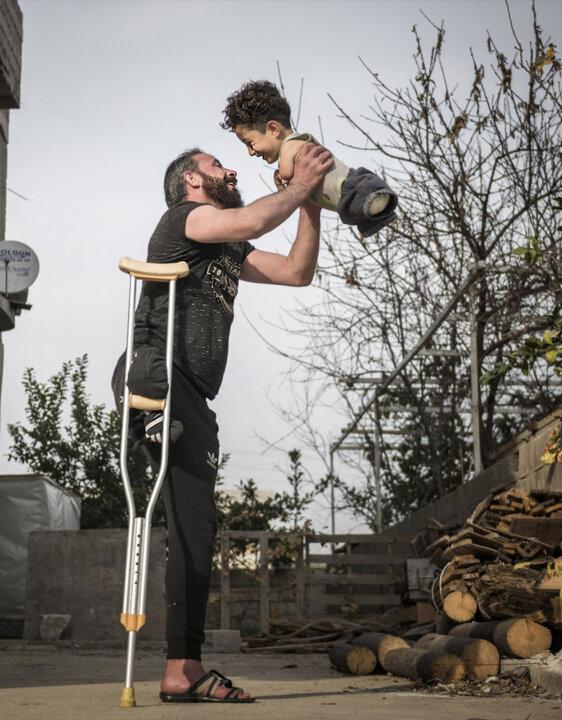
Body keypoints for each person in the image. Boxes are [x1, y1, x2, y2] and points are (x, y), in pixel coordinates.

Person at [112, 142, 334, 702]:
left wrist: (311, 207)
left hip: (194, 398)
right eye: (216, 166)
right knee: (187, 517)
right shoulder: (186, 219)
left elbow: (295, 271)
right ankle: (180, 670)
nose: (228, 170)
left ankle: (182, 669)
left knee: (196, 527)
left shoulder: (228, 245)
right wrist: (299, 185)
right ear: (191, 180)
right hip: (157, 373)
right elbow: (256, 215)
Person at [220, 80, 397, 237]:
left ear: (273, 129)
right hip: (348, 199)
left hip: (352, 187)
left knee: (363, 199)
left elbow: (287, 173)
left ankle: (376, 202)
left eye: (250, 143)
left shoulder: (290, 145)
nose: (250, 152)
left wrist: (283, 182)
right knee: (366, 210)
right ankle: (379, 212)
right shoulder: (300, 145)